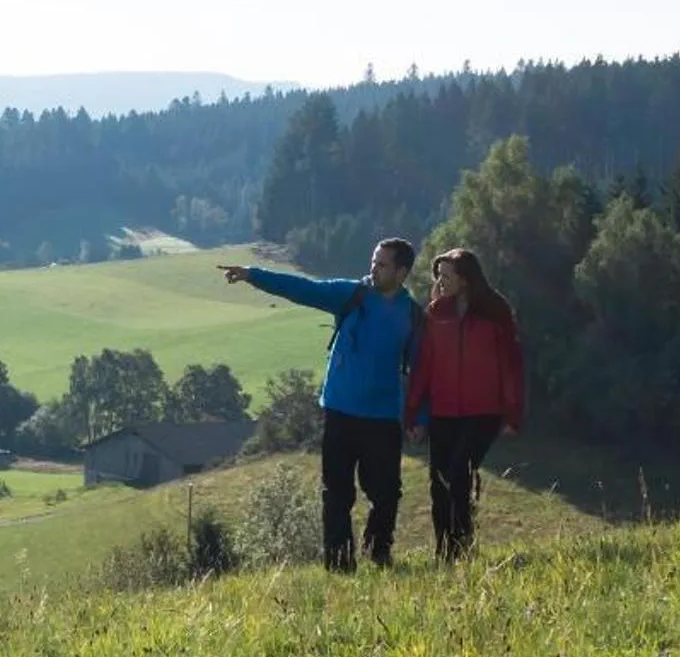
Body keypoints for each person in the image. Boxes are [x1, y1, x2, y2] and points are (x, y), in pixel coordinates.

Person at [220, 239, 421, 570]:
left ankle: (378, 553)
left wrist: (419, 416)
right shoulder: (351, 294)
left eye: (382, 264)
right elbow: (303, 289)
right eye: (373, 261)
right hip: (340, 411)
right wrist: (253, 275)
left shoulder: (412, 315)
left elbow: (420, 371)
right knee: (337, 493)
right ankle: (340, 565)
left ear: (402, 272)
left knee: (387, 494)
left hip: (383, 417)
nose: (373, 268)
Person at [402, 247, 524, 562]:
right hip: (443, 411)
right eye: (438, 276)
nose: (440, 282)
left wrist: (512, 413)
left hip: (483, 412)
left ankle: (462, 547)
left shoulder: (496, 312)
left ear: (466, 279)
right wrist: (412, 413)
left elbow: (510, 365)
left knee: (459, 475)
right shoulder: (435, 313)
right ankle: (445, 550)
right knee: (438, 483)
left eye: (446, 276)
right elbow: (424, 367)